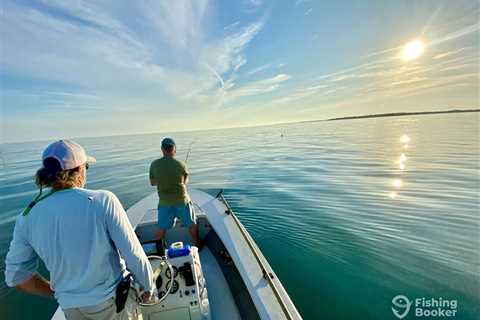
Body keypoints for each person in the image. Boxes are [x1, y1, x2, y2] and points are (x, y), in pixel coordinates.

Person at [4, 139, 153, 320]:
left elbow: (16, 277)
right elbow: (134, 255)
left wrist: (60, 293)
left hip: (72, 310)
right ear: (79, 171)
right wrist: (148, 287)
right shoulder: (103, 200)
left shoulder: (26, 217)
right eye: (86, 168)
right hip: (113, 304)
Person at [149, 138, 201, 250]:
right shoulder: (181, 164)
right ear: (174, 149)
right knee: (192, 224)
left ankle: (158, 251)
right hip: (182, 201)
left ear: (162, 149)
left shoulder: (154, 164)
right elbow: (185, 181)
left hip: (164, 203)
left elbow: (152, 183)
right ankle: (197, 245)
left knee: (161, 228)